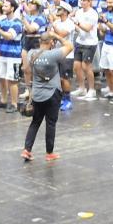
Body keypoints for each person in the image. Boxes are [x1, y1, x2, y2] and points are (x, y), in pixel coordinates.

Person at [22, 31, 73, 162]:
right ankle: (49, 153)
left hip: (37, 93)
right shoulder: (53, 55)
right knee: (50, 123)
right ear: (51, 42)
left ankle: (27, 150)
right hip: (52, 93)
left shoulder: (31, 54)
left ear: (40, 41)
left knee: (35, 122)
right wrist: (57, 36)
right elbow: (69, 46)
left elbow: (27, 71)